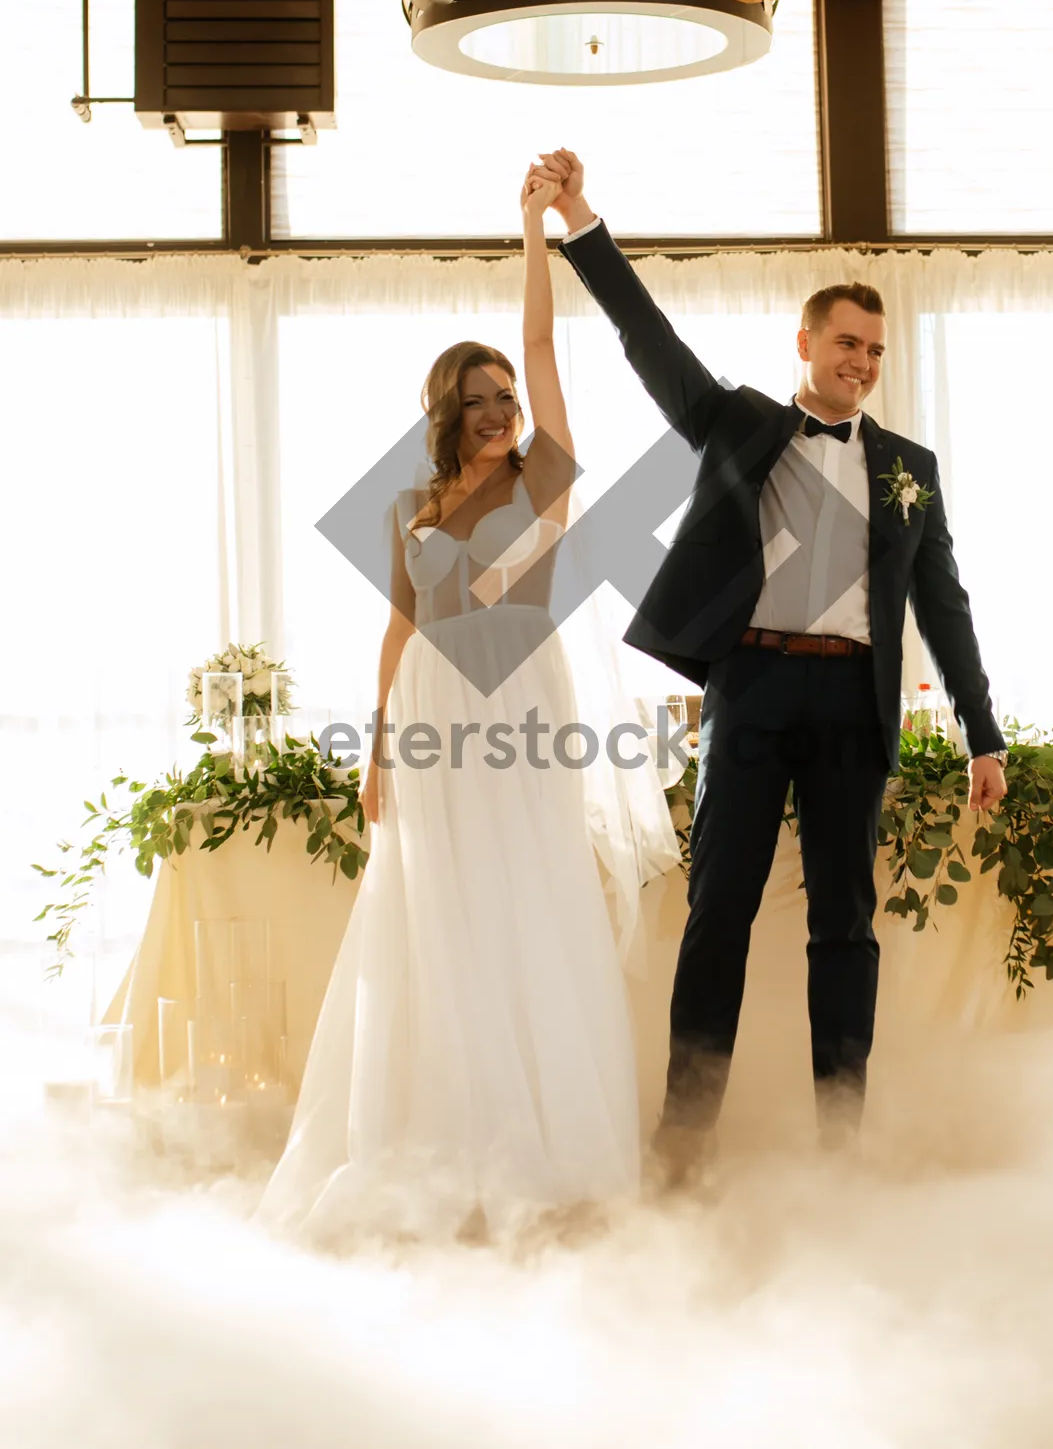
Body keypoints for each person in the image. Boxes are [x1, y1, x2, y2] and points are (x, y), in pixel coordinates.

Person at [532, 146, 1008, 1180]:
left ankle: (844, 1138)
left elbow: (946, 608)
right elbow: (644, 335)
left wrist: (984, 733)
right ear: (806, 341)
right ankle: (685, 1139)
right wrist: (581, 220)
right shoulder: (737, 421)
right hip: (750, 687)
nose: (863, 362)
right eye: (847, 343)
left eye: (876, 351)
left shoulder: (908, 473)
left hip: (851, 700)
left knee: (846, 921)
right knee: (720, 913)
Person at [257, 162, 672, 1242]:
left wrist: (532, 230)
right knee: (433, 907)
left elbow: (542, 347)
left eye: (509, 396)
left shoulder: (544, 478)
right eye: (478, 397)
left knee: (525, 898)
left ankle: (543, 1141)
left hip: (525, 698)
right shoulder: (410, 503)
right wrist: (378, 744)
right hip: (434, 708)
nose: (500, 408)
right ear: (447, 410)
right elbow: (398, 625)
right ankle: (435, 1135)